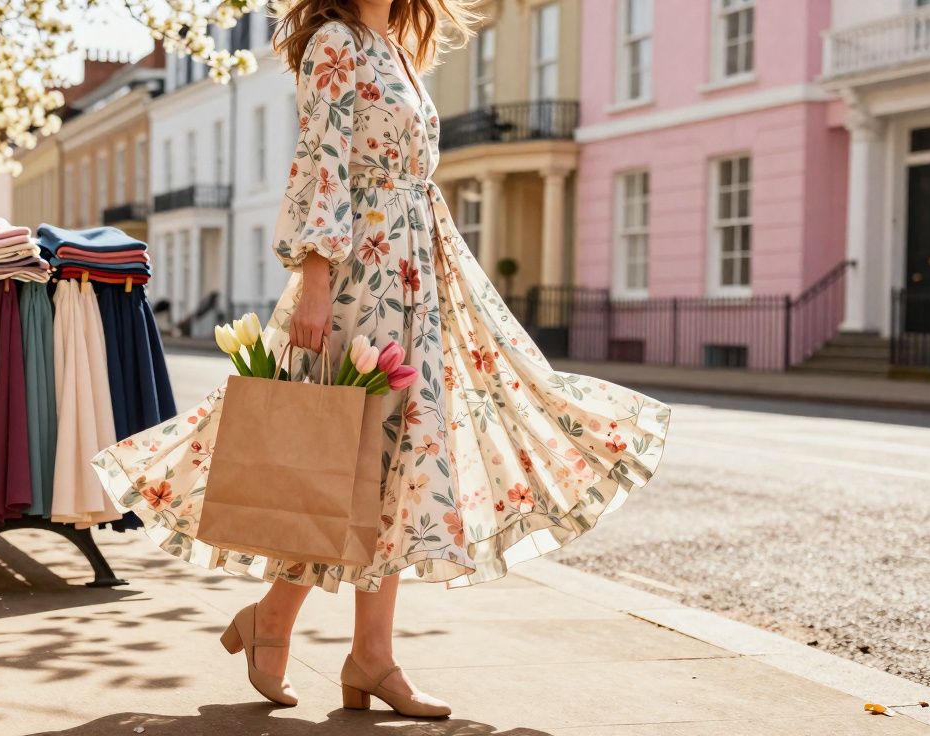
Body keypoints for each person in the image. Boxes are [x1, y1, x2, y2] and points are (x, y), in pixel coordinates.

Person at [93, 0, 671, 718]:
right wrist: (312, 280)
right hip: (362, 276)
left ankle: (341, 643)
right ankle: (309, 634)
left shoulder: (395, 43)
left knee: (389, 467)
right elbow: (320, 163)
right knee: (350, 455)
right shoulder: (336, 40)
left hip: (416, 271)